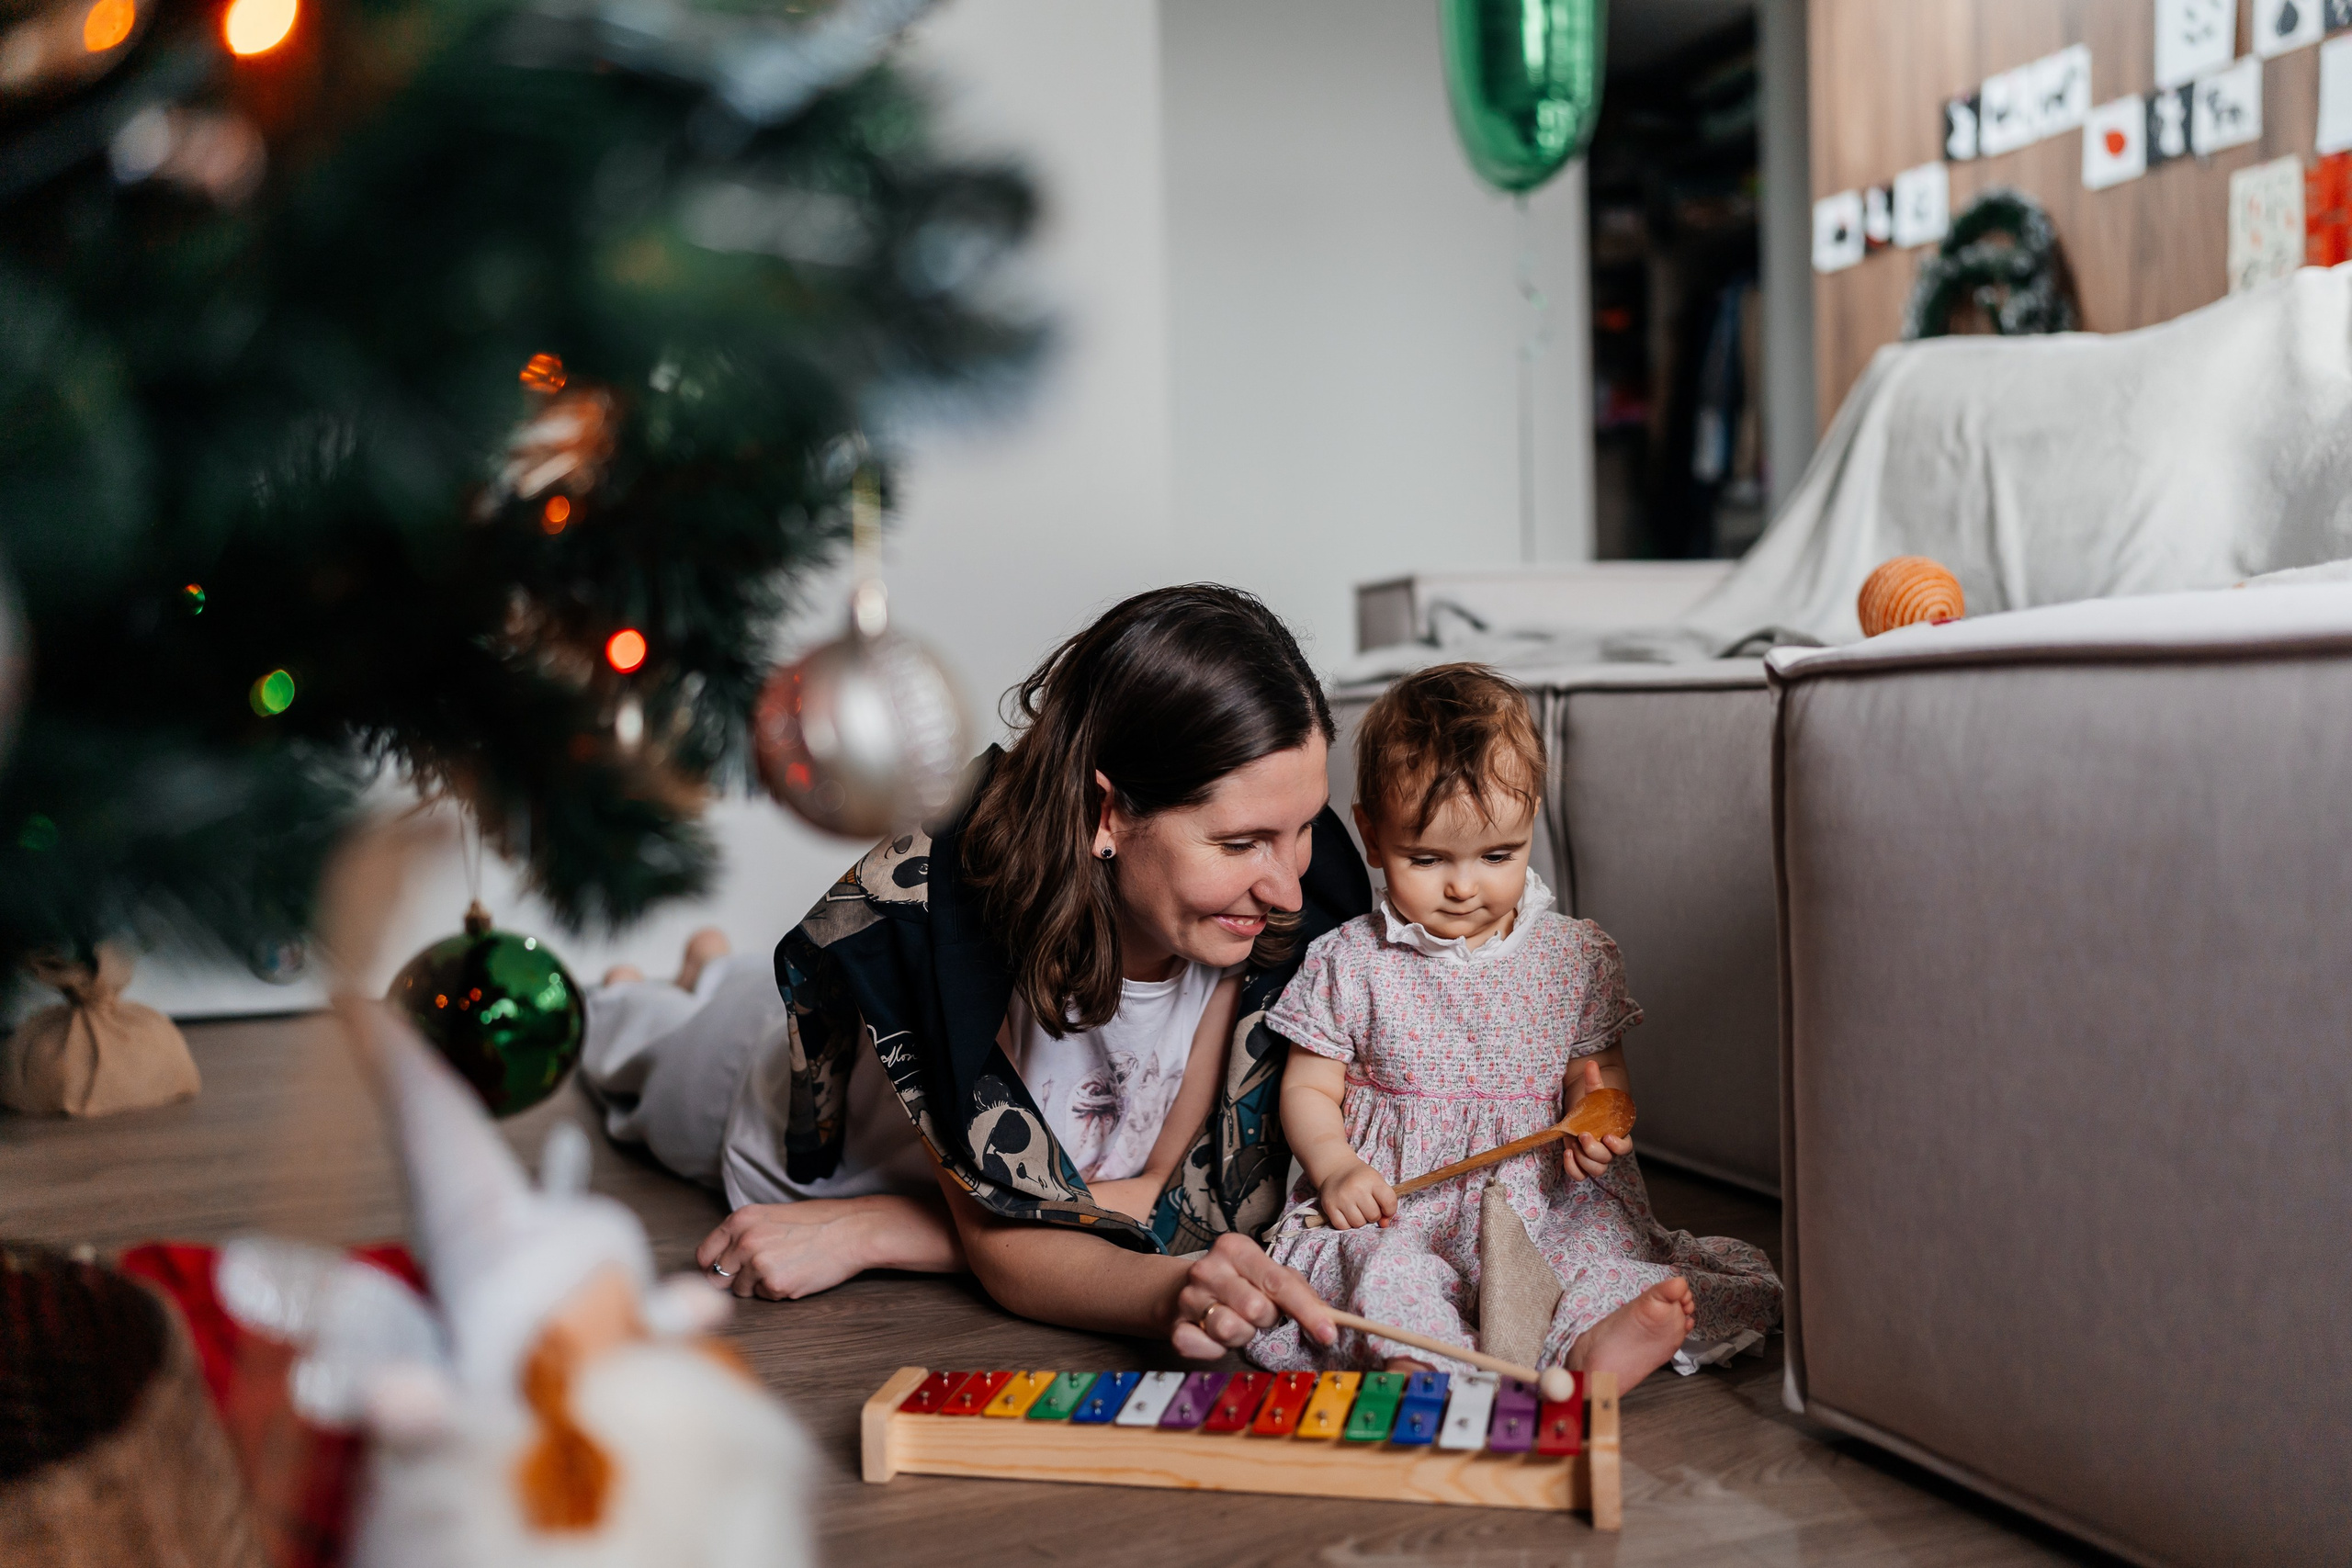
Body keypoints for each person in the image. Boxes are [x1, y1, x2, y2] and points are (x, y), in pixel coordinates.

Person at [580, 585, 1370, 1359]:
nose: (1287, 891)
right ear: (1107, 813)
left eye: (1304, 827)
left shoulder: (1237, 937)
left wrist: (887, 1229)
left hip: (953, 1196)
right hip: (750, 1095)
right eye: (1240, 843)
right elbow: (1008, 1245)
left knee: (723, 979)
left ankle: (710, 962)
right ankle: (648, 985)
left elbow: (1159, 1194)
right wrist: (1166, 1290)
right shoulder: (955, 931)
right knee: (619, 1036)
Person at [1245, 663, 1783, 1392]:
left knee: (1589, 1252)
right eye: (1426, 858)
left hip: (1543, 1200)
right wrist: (1336, 1164)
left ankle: (1589, 1341)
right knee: (1377, 1264)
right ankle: (1415, 1352)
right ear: (1371, 834)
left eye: (1498, 854)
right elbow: (1310, 1087)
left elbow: (1600, 1071)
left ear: (1531, 821)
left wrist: (1594, 1118)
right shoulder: (1351, 961)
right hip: (1401, 1201)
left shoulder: (1574, 955)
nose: (1465, 886)